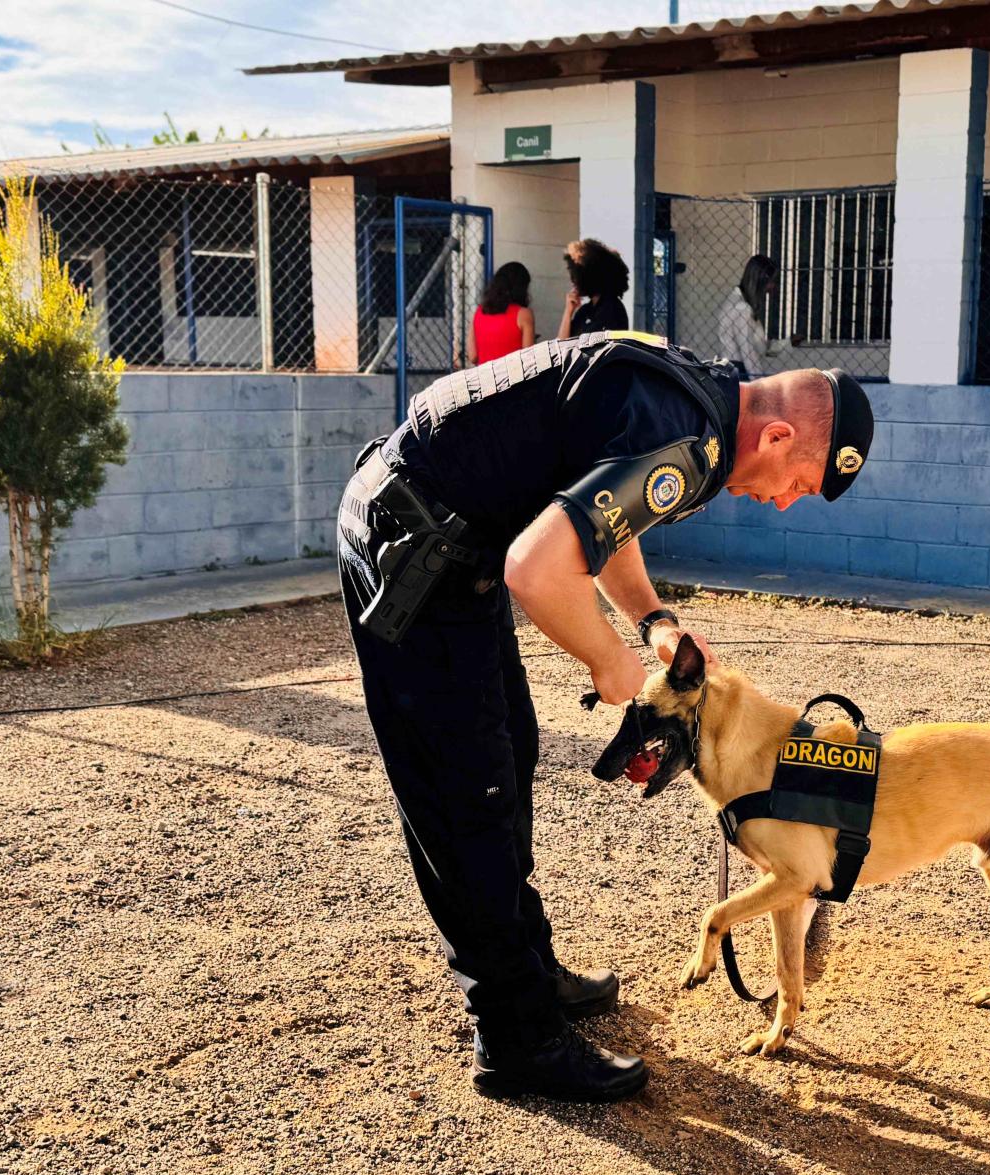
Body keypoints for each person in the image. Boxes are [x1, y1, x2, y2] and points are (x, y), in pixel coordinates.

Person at [336, 330, 873, 1103]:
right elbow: (537, 568)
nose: (784, 499)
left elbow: (596, 516)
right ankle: (516, 1038)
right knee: (467, 793)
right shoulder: (690, 443)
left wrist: (650, 618)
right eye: (797, 481)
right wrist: (607, 659)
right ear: (780, 435)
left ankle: (529, 972)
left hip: (452, 540)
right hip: (415, 548)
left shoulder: (702, 404)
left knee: (507, 753)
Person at [716, 253, 796, 378]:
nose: (773, 287)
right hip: (740, 372)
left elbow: (759, 345)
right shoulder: (742, 308)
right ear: (761, 280)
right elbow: (747, 351)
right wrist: (759, 384)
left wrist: (787, 342)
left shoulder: (739, 302)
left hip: (734, 370)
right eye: (771, 282)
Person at [557, 239, 629, 339]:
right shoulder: (585, 311)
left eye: (576, 275)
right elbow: (561, 344)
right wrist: (568, 312)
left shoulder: (612, 308)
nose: (573, 280)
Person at [468, 261, 535, 367]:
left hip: (484, 379)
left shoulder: (480, 311)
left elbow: (473, 356)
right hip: (514, 379)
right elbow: (529, 359)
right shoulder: (523, 315)